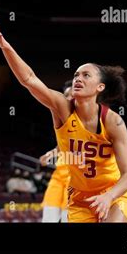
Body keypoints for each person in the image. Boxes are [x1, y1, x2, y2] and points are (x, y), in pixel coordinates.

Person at [0, 13, 127, 222]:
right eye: (76, 75)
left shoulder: (113, 122)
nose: (78, 79)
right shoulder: (62, 108)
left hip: (112, 192)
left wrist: (108, 196)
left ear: (100, 87)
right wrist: (5, 47)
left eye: (86, 75)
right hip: (79, 197)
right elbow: (29, 79)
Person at [40, 81, 72, 222]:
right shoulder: (62, 118)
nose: (70, 98)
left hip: (76, 176)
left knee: (67, 217)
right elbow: (62, 145)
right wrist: (50, 154)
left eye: (73, 95)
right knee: (49, 215)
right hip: (59, 175)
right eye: (67, 95)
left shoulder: (88, 118)